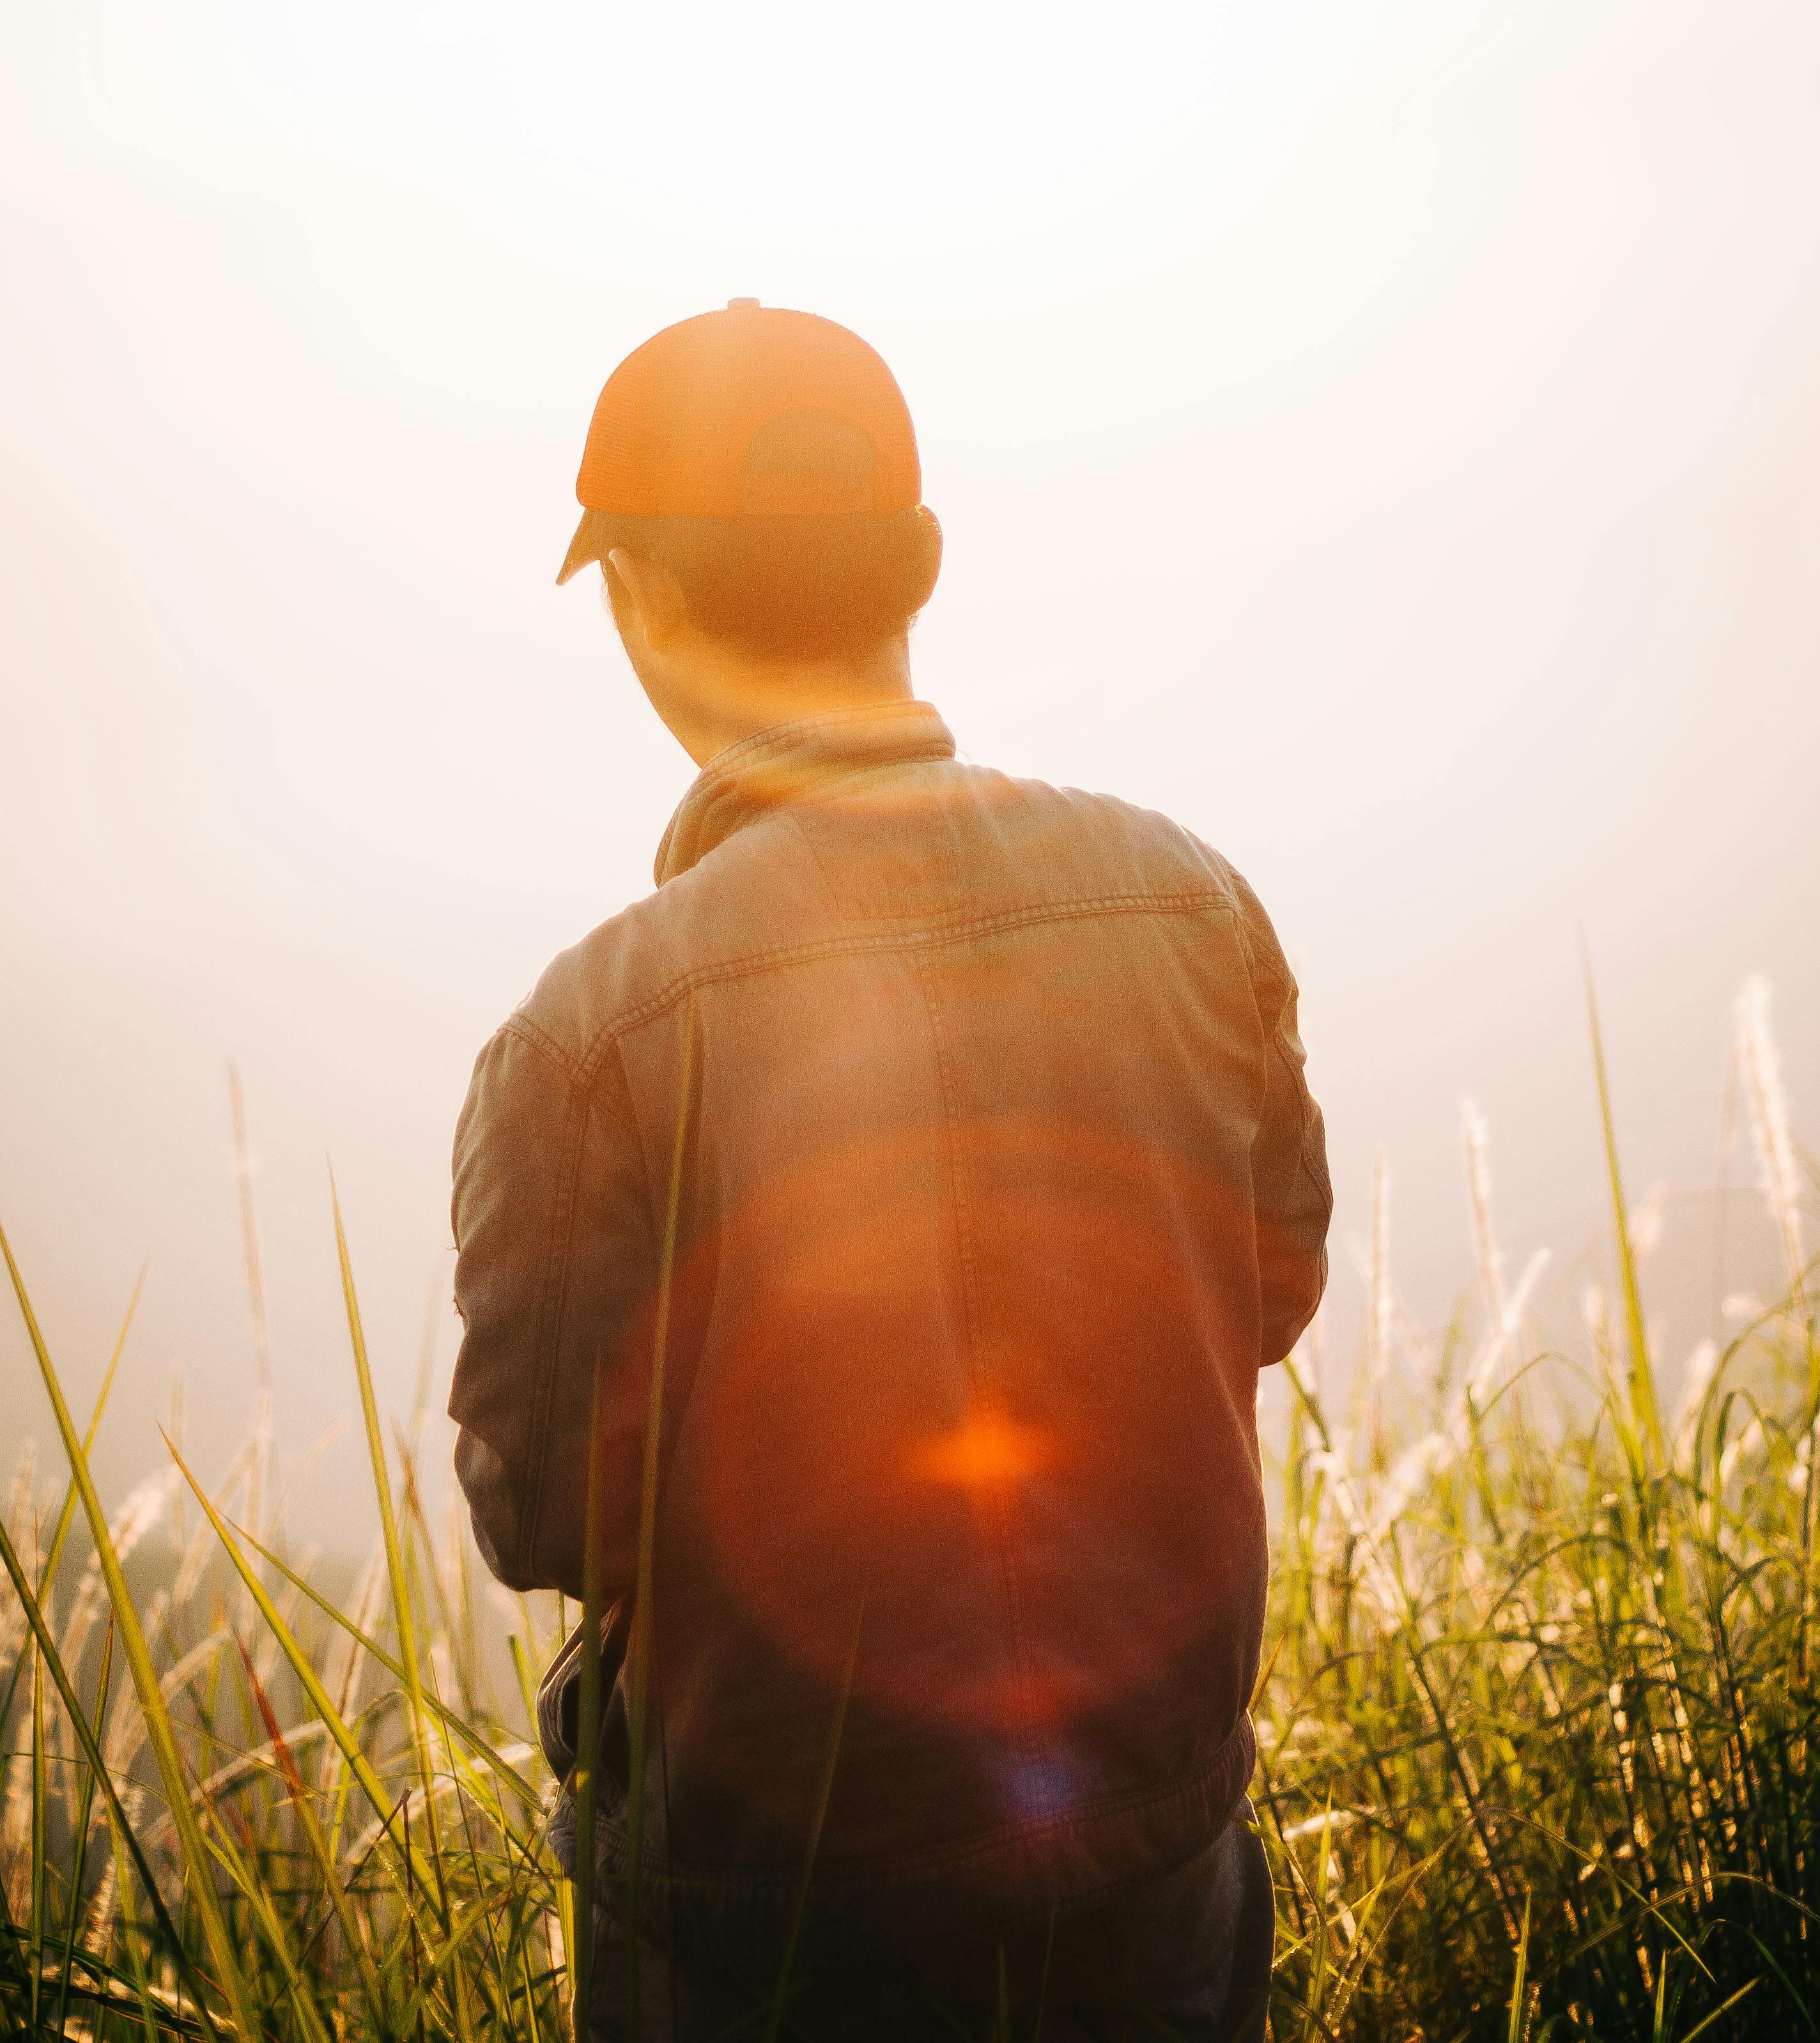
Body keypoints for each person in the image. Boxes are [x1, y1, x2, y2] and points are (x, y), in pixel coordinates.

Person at [448, 300, 1330, 2040]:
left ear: (640, 605)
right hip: (1155, 1877)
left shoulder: (588, 1043)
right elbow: (1271, 1288)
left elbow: (544, 1509)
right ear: (914, 568)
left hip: (761, 1941)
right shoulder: (1189, 907)